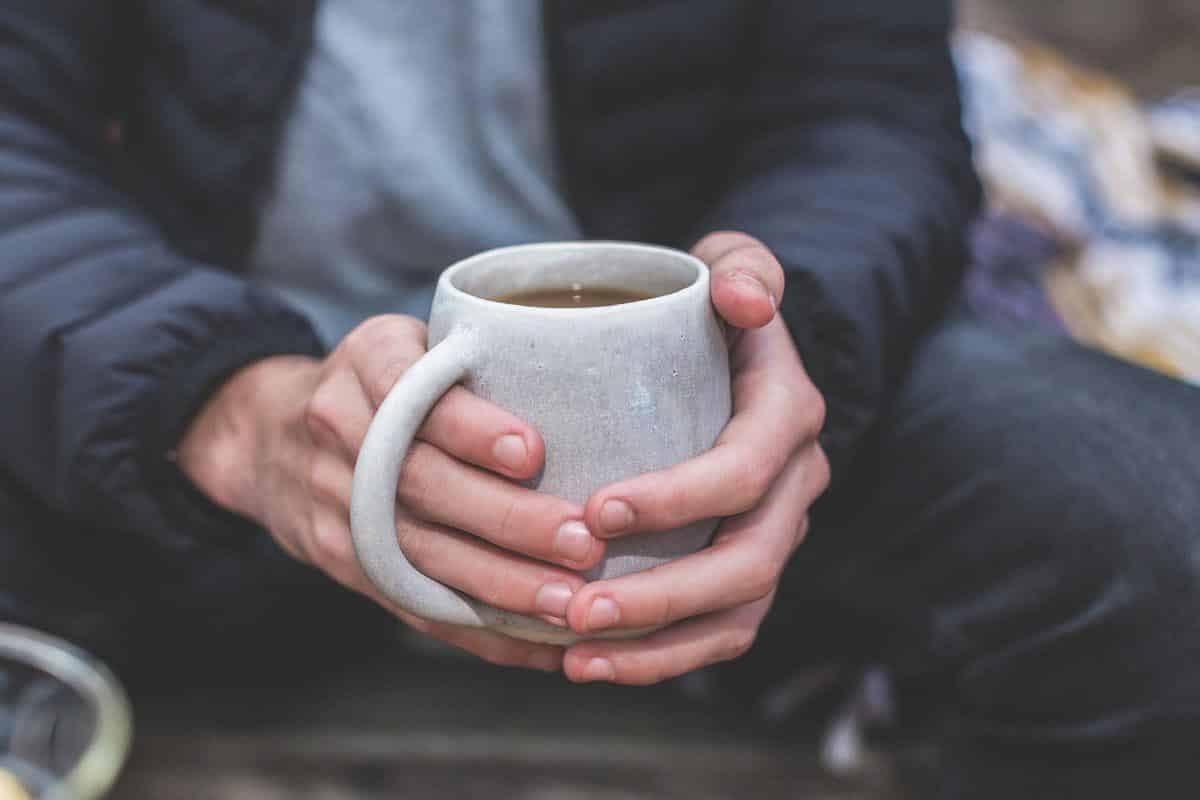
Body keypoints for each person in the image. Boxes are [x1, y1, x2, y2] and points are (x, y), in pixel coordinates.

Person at [0, 1, 1195, 796]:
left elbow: (865, 106)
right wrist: (222, 405)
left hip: (708, 403)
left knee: (1151, 524)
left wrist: (797, 333)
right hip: (163, 402)